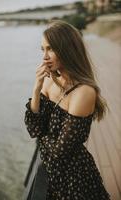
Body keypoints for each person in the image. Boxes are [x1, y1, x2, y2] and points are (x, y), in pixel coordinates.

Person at [24, 20, 111, 200]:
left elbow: (58, 153)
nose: (45, 57)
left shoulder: (84, 92)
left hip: (75, 179)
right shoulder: (48, 81)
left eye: (51, 49)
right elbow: (32, 125)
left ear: (67, 50)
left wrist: (40, 132)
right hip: (49, 173)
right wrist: (36, 87)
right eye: (43, 49)